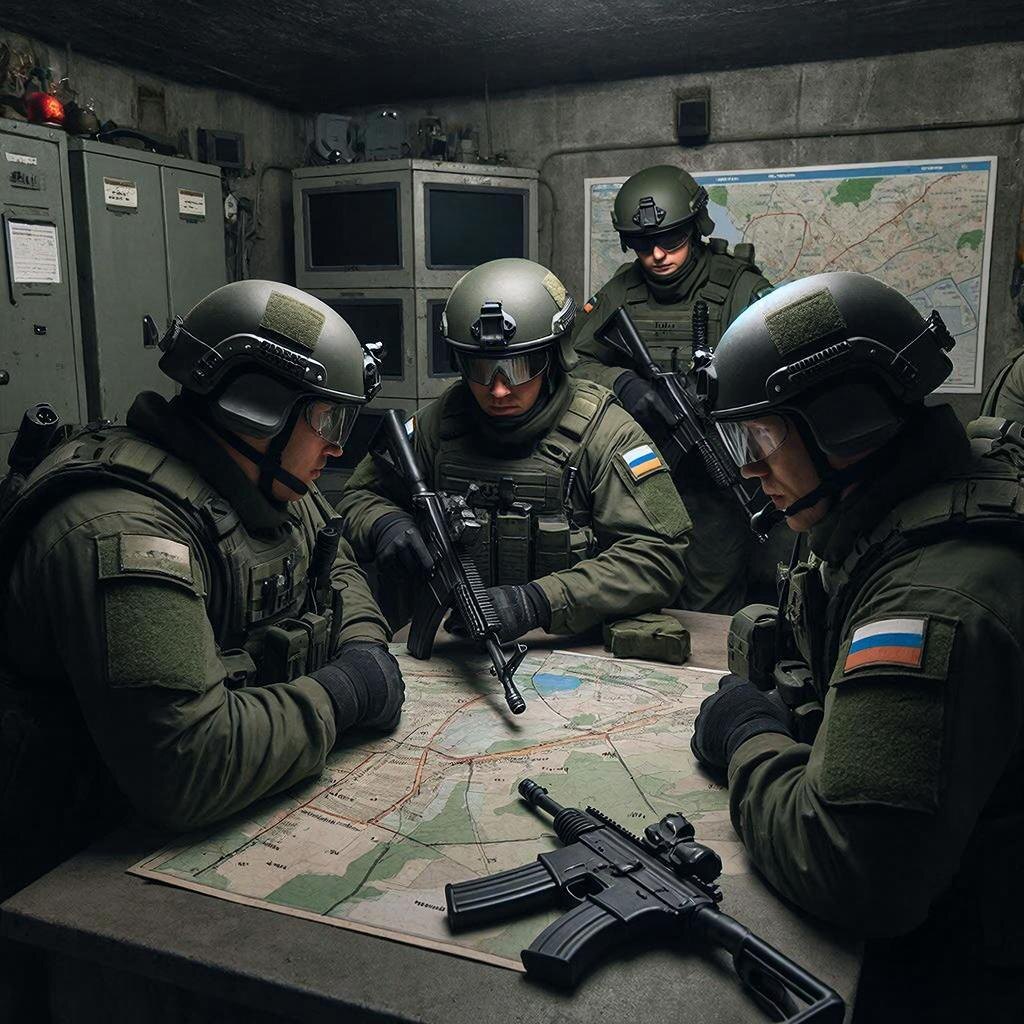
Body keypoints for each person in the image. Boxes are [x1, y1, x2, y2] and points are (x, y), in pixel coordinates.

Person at [0, 280, 406, 902]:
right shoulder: (121, 530)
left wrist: (363, 646)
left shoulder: (265, 481)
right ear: (257, 408)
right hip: (74, 871)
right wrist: (345, 692)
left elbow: (336, 563)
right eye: (326, 418)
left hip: (186, 843)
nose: (337, 444)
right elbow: (187, 764)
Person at [689, 271, 1024, 1021]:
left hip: (964, 972)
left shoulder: (932, 601)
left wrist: (750, 738)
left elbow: (852, 869)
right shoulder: (901, 501)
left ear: (846, 425)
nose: (748, 467)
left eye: (762, 437)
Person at [338, 257, 691, 647]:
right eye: (480, 369)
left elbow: (658, 557)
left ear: (554, 356)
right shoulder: (438, 425)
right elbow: (357, 497)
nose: (499, 389)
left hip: (570, 648)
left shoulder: (607, 434)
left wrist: (537, 602)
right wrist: (386, 523)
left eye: (520, 367)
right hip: (452, 644)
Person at [570, 165, 773, 614]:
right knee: (637, 595)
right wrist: (624, 384)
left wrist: (719, 393)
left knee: (707, 607)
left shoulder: (739, 287)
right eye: (643, 245)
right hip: (638, 479)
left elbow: (780, 364)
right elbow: (571, 360)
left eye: (672, 240)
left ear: (696, 228)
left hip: (716, 480)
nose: (658, 255)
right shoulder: (621, 291)